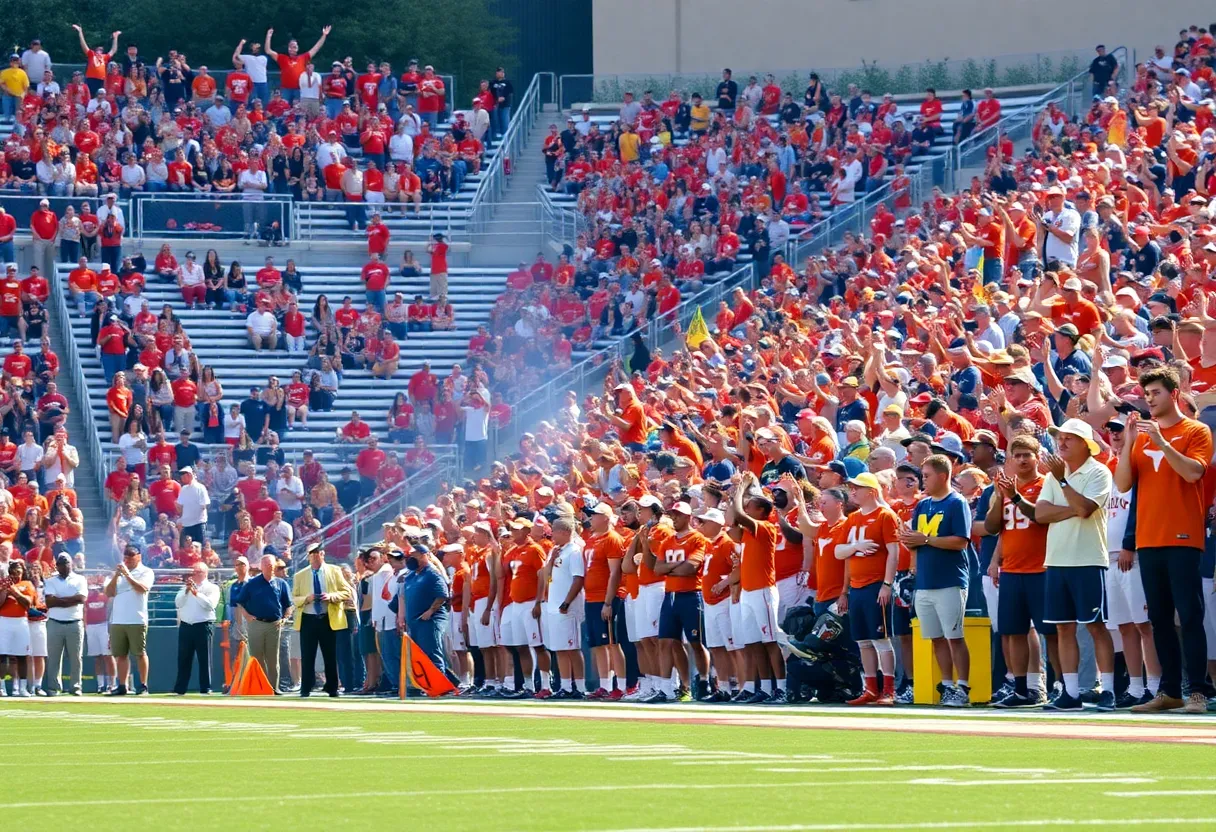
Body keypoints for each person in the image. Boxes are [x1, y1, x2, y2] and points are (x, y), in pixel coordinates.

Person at [1115, 367, 1212, 714]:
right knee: (1158, 619)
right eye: (1146, 395)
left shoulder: (1196, 430)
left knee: (1189, 615)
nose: (1149, 400)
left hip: (1183, 536)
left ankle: (1199, 692)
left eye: (1155, 393)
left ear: (1173, 393)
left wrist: (1161, 441)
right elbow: (1124, 484)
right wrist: (1128, 443)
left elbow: (1192, 472)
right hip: (1148, 537)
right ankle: (1170, 691)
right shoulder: (1140, 436)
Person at [1035, 418, 1115, 712]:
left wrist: (1065, 486)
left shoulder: (1099, 471)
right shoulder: (1053, 476)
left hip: (1088, 559)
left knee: (1095, 625)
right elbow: (1041, 514)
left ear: (1085, 443)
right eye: (1060, 438)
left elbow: (1085, 509)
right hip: (1057, 560)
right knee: (1063, 629)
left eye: (1069, 438)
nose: (1062, 443)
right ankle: (1070, 693)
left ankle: (1107, 690)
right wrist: (1070, 504)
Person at [985, 435, 1053, 708]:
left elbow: (1039, 517)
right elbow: (992, 528)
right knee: (1012, 631)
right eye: (1018, 455)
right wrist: (1000, 497)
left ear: (1037, 456)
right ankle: (1021, 688)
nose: (1023, 459)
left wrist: (1015, 495)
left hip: (1041, 567)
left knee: (1051, 631)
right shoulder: (1005, 488)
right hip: (1012, 568)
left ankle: (1051, 686)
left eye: (1028, 454)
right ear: (1011, 459)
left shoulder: (1046, 484)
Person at [900, 455, 974, 707]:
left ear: (943, 476)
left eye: (927, 476)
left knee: (954, 635)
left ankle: (963, 687)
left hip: (949, 578)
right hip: (925, 580)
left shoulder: (957, 503)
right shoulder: (922, 505)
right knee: (936, 637)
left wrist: (925, 540)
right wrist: (909, 540)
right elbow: (916, 541)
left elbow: (961, 541)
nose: (923, 481)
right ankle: (946, 684)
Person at [835, 472, 901, 706]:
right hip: (857, 586)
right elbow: (838, 552)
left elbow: (894, 552)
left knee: (880, 638)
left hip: (875, 584)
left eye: (857, 488)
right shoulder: (852, 519)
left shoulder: (885, 516)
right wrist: (856, 546)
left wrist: (887, 584)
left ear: (871, 491)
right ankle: (871, 688)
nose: (852, 491)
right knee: (863, 640)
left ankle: (889, 690)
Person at [291, 542, 350, 697]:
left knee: (330, 654)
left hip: (327, 617)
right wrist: (307, 599)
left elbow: (346, 592)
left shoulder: (335, 571)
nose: (316, 556)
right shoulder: (300, 575)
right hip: (308, 618)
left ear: (323, 554)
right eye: (312, 554)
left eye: (318, 553)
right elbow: (295, 598)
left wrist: (331, 597)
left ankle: (332, 687)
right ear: (308, 556)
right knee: (307, 655)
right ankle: (306, 687)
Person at [234, 554, 292, 694]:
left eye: (271, 565)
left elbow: (288, 605)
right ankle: (260, 686)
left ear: (274, 567)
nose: (269, 567)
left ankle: (274, 687)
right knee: (256, 657)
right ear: (261, 566)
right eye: (266, 564)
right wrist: (247, 616)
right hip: (256, 623)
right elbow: (240, 602)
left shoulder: (281, 583)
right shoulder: (252, 583)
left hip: (274, 625)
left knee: (273, 658)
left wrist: (284, 619)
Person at [104, 544, 154, 695]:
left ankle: (143, 685)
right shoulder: (118, 574)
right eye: (126, 557)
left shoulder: (146, 572)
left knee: (139, 653)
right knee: (121, 655)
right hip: (118, 619)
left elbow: (142, 588)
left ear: (139, 556)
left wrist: (127, 575)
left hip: (136, 619)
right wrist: (116, 576)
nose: (128, 560)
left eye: (131, 556)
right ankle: (122, 685)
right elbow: (109, 592)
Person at [402, 545, 454, 688]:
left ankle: (439, 685)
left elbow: (442, 595)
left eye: (415, 555)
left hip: (430, 620)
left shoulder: (432, 574)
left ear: (425, 555)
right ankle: (427, 685)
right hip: (415, 622)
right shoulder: (411, 576)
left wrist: (431, 610)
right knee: (420, 656)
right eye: (410, 555)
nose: (411, 558)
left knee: (432, 652)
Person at [545, 516, 586, 698]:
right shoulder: (555, 551)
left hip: (567, 607)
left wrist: (567, 602)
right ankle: (566, 687)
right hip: (553, 606)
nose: (551, 534)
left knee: (572, 648)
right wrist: (551, 559)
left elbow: (578, 578)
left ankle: (580, 687)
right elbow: (546, 576)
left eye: (554, 530)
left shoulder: (574, 551)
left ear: (564, 532)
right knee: (560, 649)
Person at [43, 553, 88, 696]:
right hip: (55, 622)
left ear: (71, 564)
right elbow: (50, 602)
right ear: (57, 566)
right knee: (54, 657)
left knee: (76, 657)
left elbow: (81, 598)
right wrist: (70, 600)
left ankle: (76, 687)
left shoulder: (80, 579)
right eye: (61, 563)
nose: (65, 565)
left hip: (75, 622)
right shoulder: (50, 581)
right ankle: (53, 687)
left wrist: (59, 600)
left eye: (67, 562)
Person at [172, 562, 219, 695]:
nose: (194, 575)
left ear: (205, 573)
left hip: (203, 624)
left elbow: (210, 605)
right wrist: (187, 591)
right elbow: (178, 603)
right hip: (186, 625)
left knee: (204, 658)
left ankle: (206, 687)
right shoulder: (184, 588)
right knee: (184, 658)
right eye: (193, 572)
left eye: (197, 572)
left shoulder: (212, 588)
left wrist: (196, 593)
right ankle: (180, 688)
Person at [175, 466, 210, 545]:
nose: (181, 478)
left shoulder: (200, 488)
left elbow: (204, 505)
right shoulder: (183, 489)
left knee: (199, 546)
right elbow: (180, 507)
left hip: (199, 523)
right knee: (187, 547)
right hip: (186, 524)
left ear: (189, 475)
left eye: (183, 475)